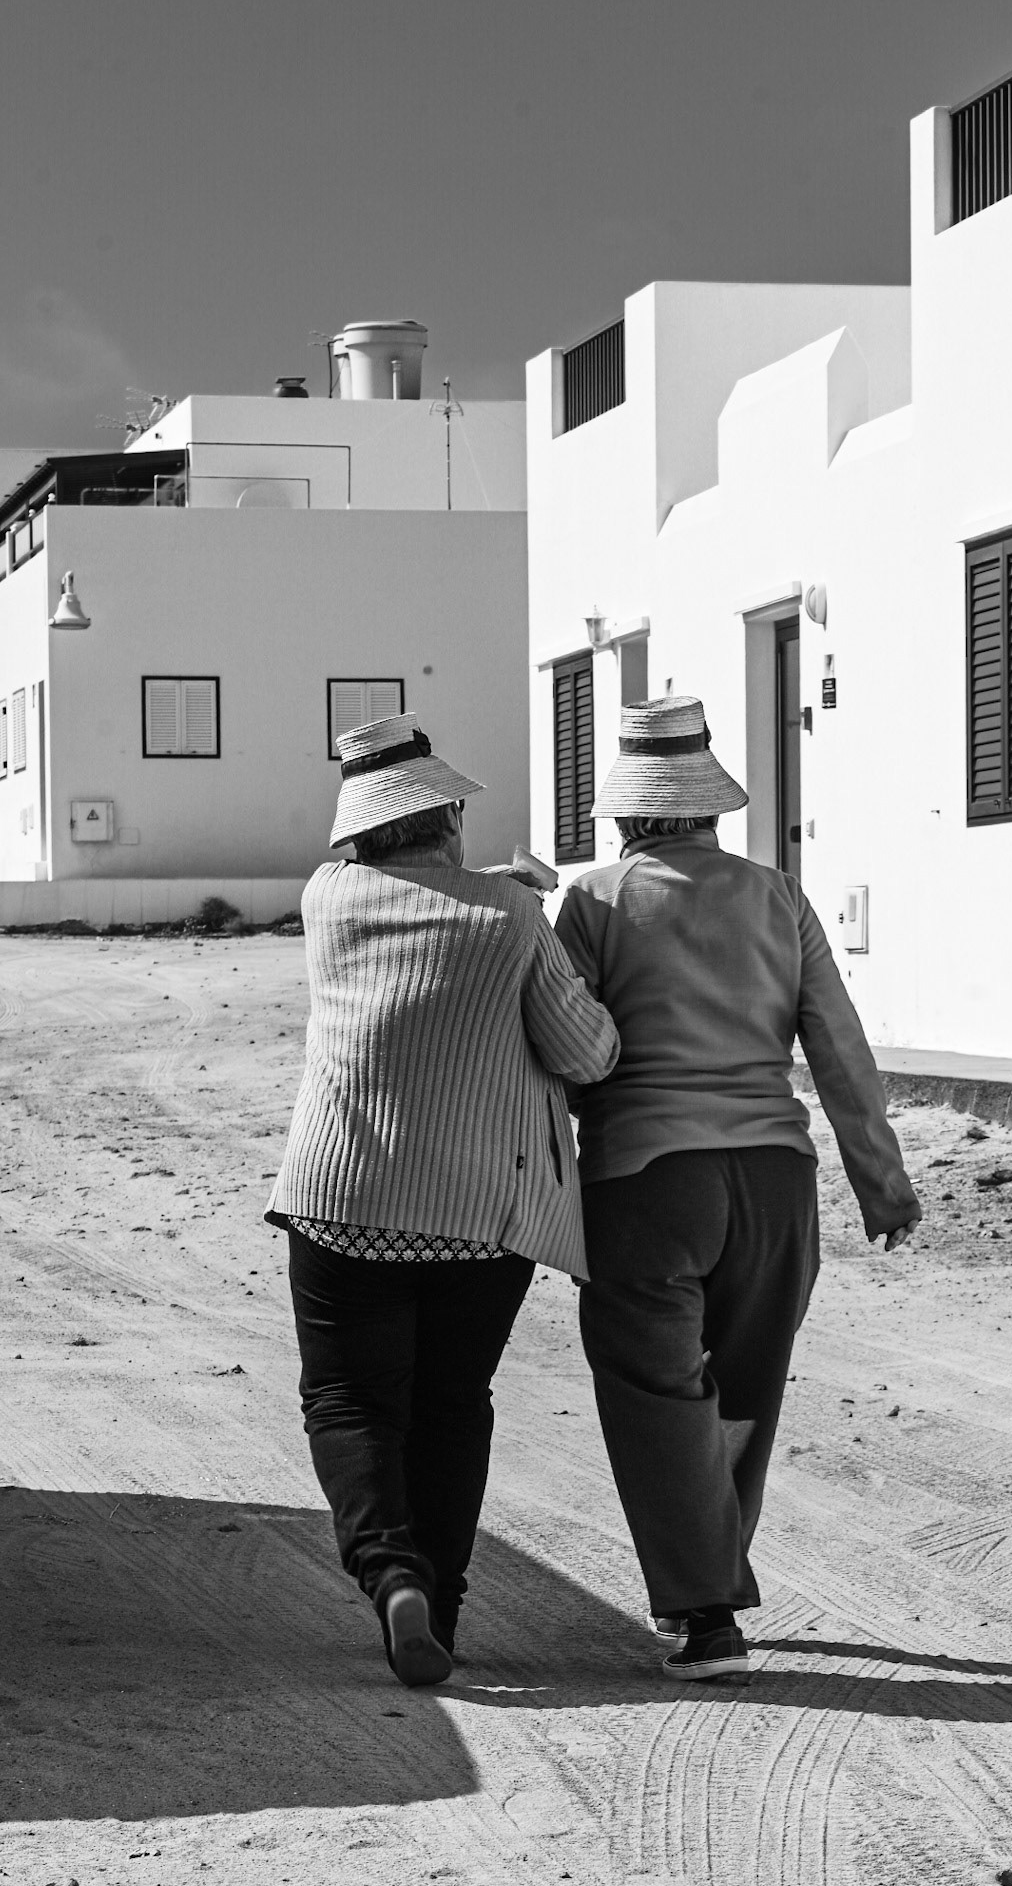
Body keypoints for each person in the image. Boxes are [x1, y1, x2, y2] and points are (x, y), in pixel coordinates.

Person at [554, 695, 921, 1682]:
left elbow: (570, 1051)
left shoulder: (590, 901)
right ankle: (708, 1577)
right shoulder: (777, 895)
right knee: (742, 1387)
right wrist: (878, 1178)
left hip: (643, 1184)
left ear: (627, 810)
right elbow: (836, 1045)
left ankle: (701, 1608)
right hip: (774, 1181)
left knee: (654, 1390)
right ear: (707, 803)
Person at [267, 711, 618, 1687]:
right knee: (451, 1405)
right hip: (476, 1219)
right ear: (448, 815)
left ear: (361, 824)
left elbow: (414, 895)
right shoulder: (509, 921)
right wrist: (539, 927)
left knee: (348, 1398)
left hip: (339, 1200)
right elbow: (583, 1050)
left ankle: (392, 1579)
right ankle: (445, 1612)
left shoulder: (324, 898)